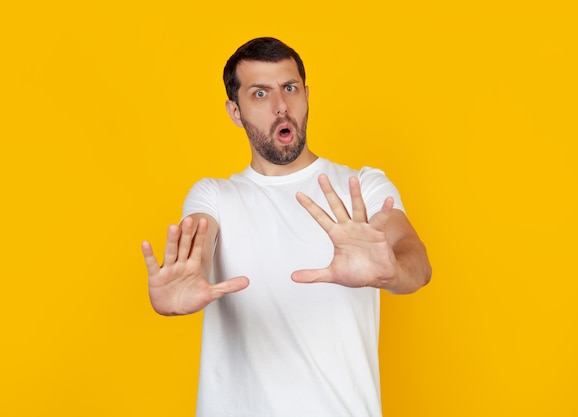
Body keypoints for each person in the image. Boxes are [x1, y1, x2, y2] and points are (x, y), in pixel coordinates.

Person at [142, 37, 431, 417]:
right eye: (260, 94)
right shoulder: (214, 196)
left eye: (289, 88)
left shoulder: (362, 186)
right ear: (235, 111)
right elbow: (199, 240)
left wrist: (390, 272)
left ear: (306, 95)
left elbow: (418, 265)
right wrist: (184, 281)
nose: (281, 107)